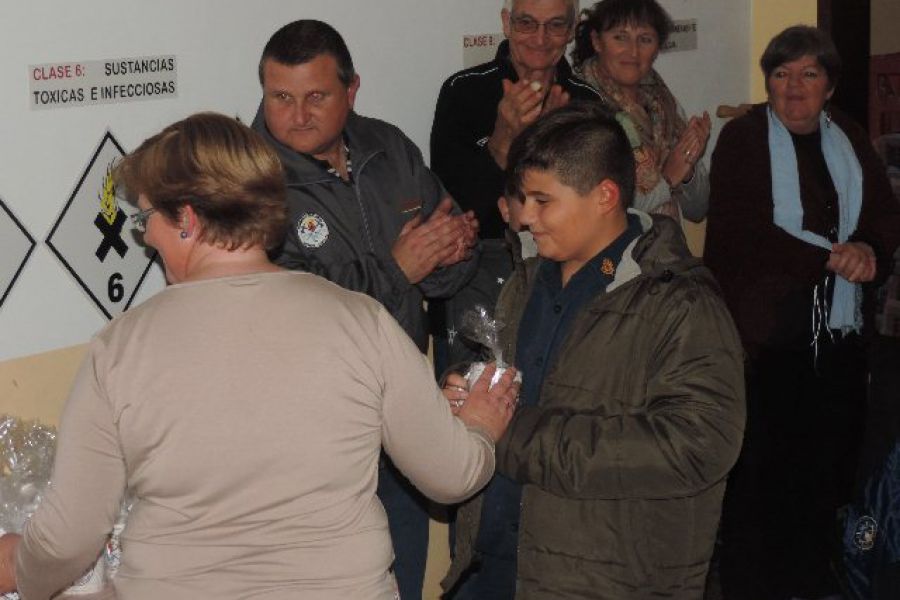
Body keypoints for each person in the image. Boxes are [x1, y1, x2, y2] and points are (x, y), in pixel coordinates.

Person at [0, 113, 519, 600]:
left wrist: (19, 565)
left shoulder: (119, 349)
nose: (146, 235)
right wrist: (477, 425)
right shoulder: (359, 321)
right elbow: (452, 475)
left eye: (148, 218)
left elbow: (70, 538)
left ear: (187, 218)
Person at [441, 101, 745, 599]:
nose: (525, 218)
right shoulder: (525, 280)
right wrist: (468, 390)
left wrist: (510, 433)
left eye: (543, 201)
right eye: (522, 199)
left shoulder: (677, 301)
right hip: (495, 569)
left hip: (603, 579)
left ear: (604, 196)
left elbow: (698, 445)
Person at [250, 20, 480, 599]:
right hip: (310, 429)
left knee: (398, 576)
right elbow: (285, 308)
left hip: (401, 408)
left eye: (316, 97)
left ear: (352, 91)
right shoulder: (248, 180)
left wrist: (448, 253)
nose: (297, 114)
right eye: (280, 97)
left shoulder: (389, 146)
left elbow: (450, 262)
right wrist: (400, 270)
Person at [704, 26, 900, 600]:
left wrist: (870, 249)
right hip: (765, 342)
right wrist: (838, 257)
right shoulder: (742, 138)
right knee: (760, 486)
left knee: (825, 477)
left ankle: (811, 584)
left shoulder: (851, 137)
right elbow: (742, 233)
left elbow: (884, 214)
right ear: (768, 81)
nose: (794, 87)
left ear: (830, 85)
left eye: (809, 74)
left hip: (838, 340)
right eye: (782, 74)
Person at [429, 0, 602, 372]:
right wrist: (504, 140)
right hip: (477, 282)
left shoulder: (587, 102)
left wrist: (555, 148)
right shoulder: (463, 91)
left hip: (568, 280)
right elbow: (455, 212)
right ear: (506, 24)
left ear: (572, 30)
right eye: (527, 23)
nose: (540, 39)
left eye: (556, 26)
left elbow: (602, 212)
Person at [571, 0, 711, 224]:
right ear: (597, 41)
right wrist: (667, 179)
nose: (633, 51)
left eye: (645, 40)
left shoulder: (664, 103)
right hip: (608, 257)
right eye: (620, 37)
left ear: (657, 48)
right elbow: (593, 210)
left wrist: (688, 171)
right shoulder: (579, 104)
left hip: (666, 252)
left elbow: (698, 209)